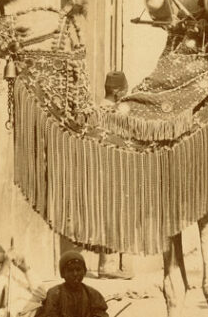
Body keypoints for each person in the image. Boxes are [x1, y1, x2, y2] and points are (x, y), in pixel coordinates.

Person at [98, 71, 134, 280]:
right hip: (120, 167)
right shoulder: (121, 110)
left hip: (104, 168)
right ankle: (119, 266)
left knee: (108, 215)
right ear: (119, 91)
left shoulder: (97, 109)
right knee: (123, 216)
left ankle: (107, 265)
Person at [34, 251, 108, 317]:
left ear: (84, 272)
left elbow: (101, 313)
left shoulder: (93, 294)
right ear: (62, 274)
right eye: (70, 270)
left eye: (78, 270)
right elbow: (49, 314)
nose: (75, 274)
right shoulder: (54, 294)